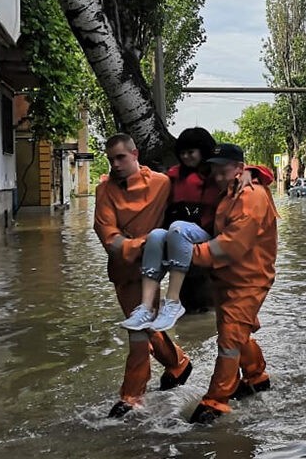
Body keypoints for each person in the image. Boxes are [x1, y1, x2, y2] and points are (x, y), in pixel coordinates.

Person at [93, 134, 192, 418]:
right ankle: (179, 363)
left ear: (135, 154)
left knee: (137, 332)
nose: (115, 164)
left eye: (120, 157)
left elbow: (200, 178)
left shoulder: (161, 182)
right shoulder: (104, 192)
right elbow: (108, 237)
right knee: (146, 326)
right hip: (123, 270)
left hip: (150, 272)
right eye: (110, 159)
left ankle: (132, 397)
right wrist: (145, 243)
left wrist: (248, 173)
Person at [188, 143, 279, 424]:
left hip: (247, 279)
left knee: (229, 339)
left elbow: (231, 246)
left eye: (222, 169)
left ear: (239, 168)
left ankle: (215, 403)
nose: (216, 175)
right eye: (213, 169)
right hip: (230, 277)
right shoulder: (232, 189)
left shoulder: (249, 196)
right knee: (235, 331)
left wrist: (189, 254)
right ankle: (256, 377)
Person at [121, 128, 220, 332]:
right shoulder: (173, 177)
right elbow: (146, 181)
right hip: (178, 241)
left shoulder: (217, 174)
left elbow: (249, 171)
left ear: (203, 151)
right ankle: (147, 306)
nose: (186, 157)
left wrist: (248, 173)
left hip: (203, 238)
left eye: (191, 152)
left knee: (177, 228)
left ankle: (172, 301)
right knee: (156, 235)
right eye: (182, 153)